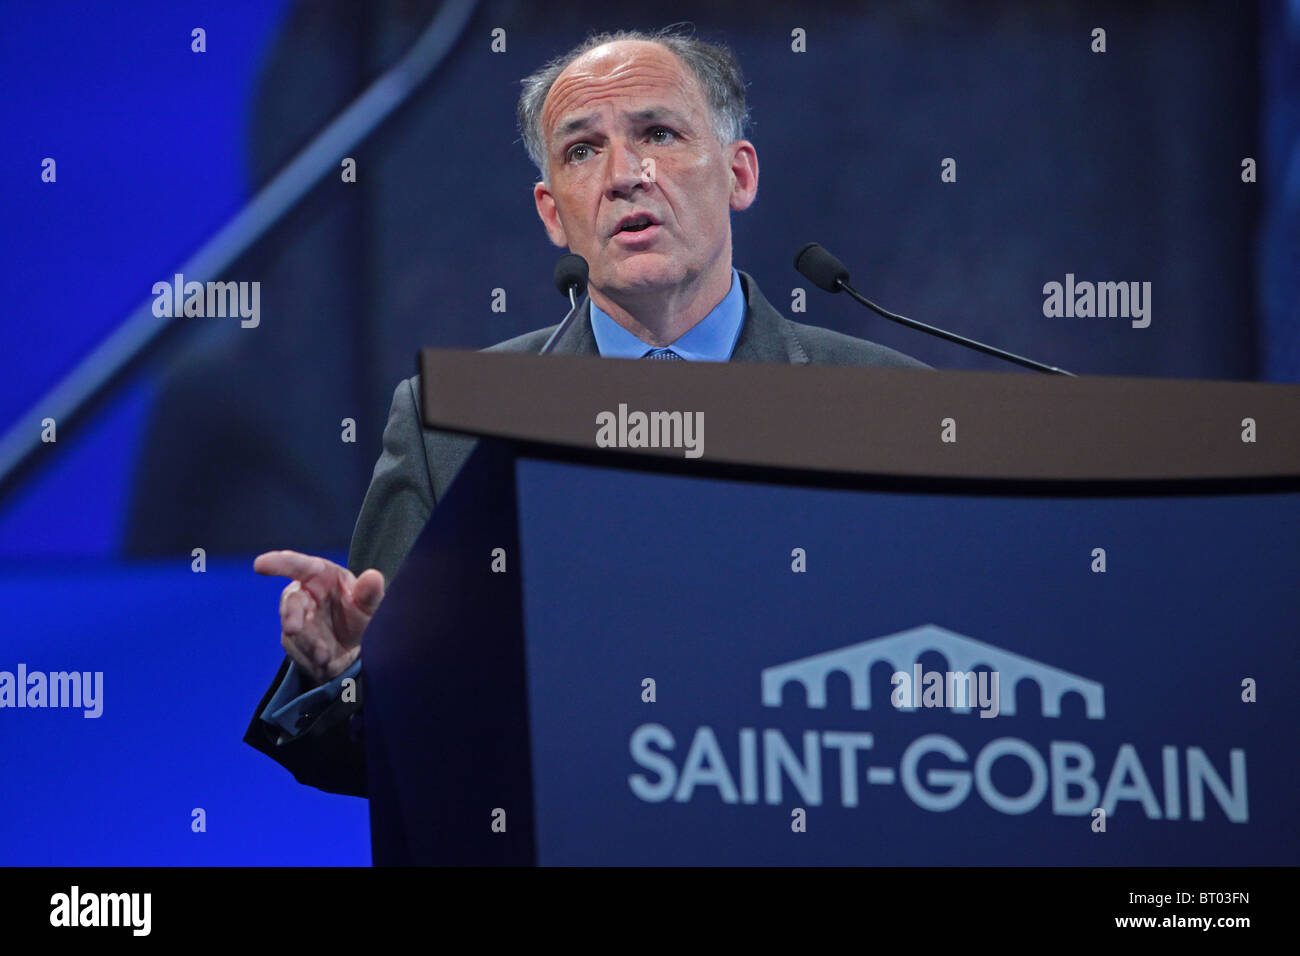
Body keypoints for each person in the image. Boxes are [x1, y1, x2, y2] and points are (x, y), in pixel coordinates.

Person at [244, 26, 929, 797]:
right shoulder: (455, 421)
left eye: (659, 134)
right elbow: (379, 757)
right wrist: (349, 673)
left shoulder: (883, 401)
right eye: (580, 151)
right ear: (552, 214)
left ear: (739, 174)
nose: (625, 176)